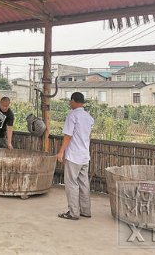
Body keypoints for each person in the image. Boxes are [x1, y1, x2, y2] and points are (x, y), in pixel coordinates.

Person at [57, 92, 95, 220]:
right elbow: (89, 137)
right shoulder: (89, 117)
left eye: (70, 101)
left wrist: (61, 151)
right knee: (84, 183)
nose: (70, 103)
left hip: (74, 156)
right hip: (85, 156)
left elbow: (68, 135)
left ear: (73, 101)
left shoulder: (72, 115)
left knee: (72, 183)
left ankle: (73, 212)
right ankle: (86, 210)